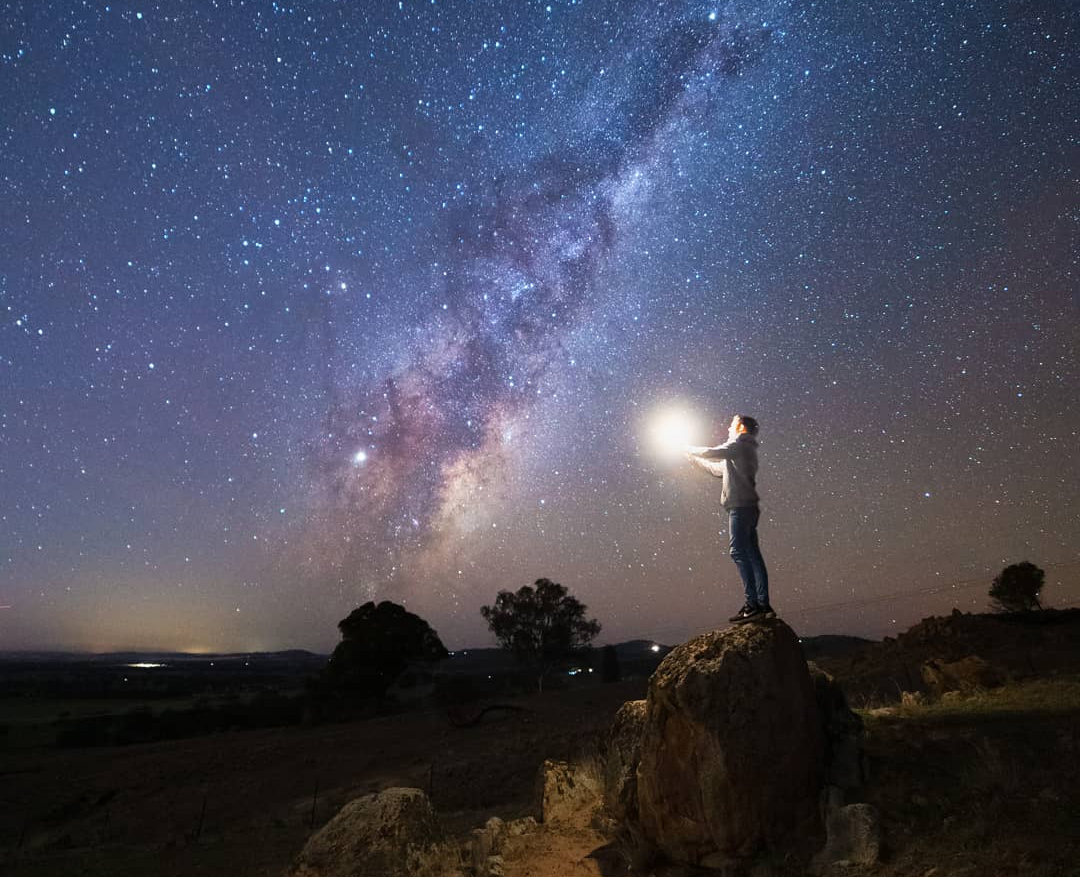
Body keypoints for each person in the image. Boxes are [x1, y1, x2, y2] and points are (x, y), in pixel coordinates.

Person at [686, 414, 773, 624]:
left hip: (740, 507)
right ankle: (762, 605)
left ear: (741, 427)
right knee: (753, 555)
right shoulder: (743, 449)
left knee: (738, 552)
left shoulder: (739, 444)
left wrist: (687, 447)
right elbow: (718, 470)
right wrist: (693, 460)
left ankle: (753, 604)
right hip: (748, 507)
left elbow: (712, 452)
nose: (728, 428)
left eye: (732, 424)